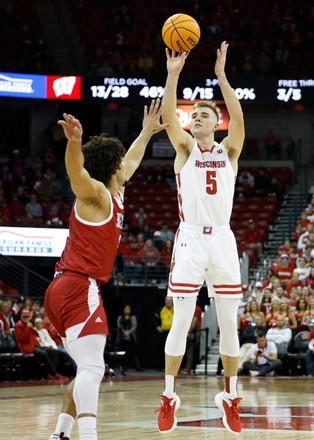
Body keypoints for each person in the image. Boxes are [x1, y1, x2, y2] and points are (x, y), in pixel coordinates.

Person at [44, 99, 169, 440]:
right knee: (93, 367)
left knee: (85, 369)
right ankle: (89, 436)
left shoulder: (116, 188)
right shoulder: (96, 194)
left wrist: (145, 131)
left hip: (63, 288)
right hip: (77, 285)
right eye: (120, 163)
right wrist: (73, 145)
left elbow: (132, 159)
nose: (125, 167)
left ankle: (60, 434)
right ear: (113, 166)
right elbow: (76, 175)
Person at [156, 41, 245, 435]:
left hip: (223, 239)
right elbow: (168, 117)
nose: (195, 119)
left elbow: (240, 118)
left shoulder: (229, 151)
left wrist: (222, 77)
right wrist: (173, 75)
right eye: (193, 116)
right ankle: (169, 398)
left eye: (203, 115)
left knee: (229, 325)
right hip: (191, 237)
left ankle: (229, 397)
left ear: (216, 122)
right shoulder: (185, 150)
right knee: (180, 323)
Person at [116, 304, 144, 371]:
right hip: (123, 337)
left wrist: (128, 333)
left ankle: (138, 367)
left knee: (134, 352)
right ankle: (123, 367)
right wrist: (124, 333)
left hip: (131, 337)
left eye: (128, 309)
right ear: (123, 309)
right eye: (126, 308)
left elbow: (134, 326)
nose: (127, 310)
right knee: (123, 352)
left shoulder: (133, 317)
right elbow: (118, 325)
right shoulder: (120, 317)